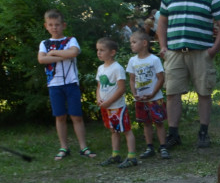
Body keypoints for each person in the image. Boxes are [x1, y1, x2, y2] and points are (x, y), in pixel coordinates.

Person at [157, 0, 220, 149]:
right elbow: (161, 23)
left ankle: (203, 132)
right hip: (174, 53)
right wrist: (163, 47)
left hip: (201, 53)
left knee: (204, 92)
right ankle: (173, 134)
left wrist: (214, 49)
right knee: (172, 93)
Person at [39, 9, 97, 161]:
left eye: (57, 24)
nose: (54, 28)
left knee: (76, 116)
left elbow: (73, 53)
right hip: (54, 84)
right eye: (51, 25)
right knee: (60, 117)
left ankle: (83, 147)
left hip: (71, 84)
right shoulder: (44, 43)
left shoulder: (71, 40)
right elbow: (41, 60)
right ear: (46, 26)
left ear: (63, 25)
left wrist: (52, 54)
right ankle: (64, 147)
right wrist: (57, 55)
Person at [126, 28, 170, 161]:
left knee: (159, 122)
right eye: (131, 42)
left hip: (155, 98)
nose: (131, 44)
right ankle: (149, 146)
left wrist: (153, 93)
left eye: (134, 42)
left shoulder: (154, 59)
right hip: (141, 99)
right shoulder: (132, 61)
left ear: (144, 43)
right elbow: (132, 79)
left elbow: (161, 78)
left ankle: (163, 146)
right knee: (145, 122)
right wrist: (134, 94)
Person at [95, 38, 137, 168]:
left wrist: (108, 102)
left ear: (112, 52)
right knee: (114, 130)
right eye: (98, 50)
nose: (99, 53)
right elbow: (99, 86)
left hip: (117, 107)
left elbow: (121, 88)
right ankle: (115, 155)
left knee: (126, 130)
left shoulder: (117, 68)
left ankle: (132, 157)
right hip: (106, 107)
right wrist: (99, 99)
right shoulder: (101, 68)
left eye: (102, 50)